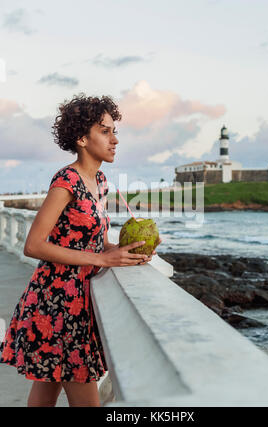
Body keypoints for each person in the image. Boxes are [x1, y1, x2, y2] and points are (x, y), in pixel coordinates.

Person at [0, 93, 161, 407]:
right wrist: (102, 259)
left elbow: (89, 241)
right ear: (82, 138)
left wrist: (126, 251)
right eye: (105, 131)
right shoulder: (66, 181)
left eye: (115, 131)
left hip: (79, 304)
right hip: (57, 303)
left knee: (46, 393)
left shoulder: (99, 181)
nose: (115, 139)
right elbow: (33, 244)